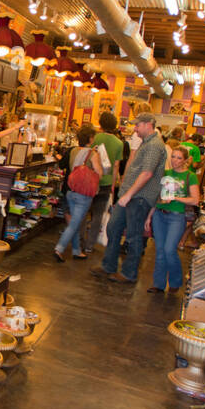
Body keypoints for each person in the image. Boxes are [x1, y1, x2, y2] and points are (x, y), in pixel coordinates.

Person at [93, 113, 166, 285]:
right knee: (113, 228)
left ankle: (129, 273)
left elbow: (147, 173)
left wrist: (128, 194)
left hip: (139, 197)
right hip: (130, 195)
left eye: (138, 125)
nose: (135, 128)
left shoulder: (155, 145)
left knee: (133, 236)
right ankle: (109, 265)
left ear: (148, 124)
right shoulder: (146, 143)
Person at [147, 146, 200, 294]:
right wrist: (150, 215)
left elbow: (195, 200)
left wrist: (175, 198)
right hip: (159, 213)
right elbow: (158, 196)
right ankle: (158, 284)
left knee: (169, 249)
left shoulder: (190, 176)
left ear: (185, 160)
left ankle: (176, 281)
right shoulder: (165, 173)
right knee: (160, 250)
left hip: (177, 216)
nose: (175, 160)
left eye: (179, 158)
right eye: (173, 157)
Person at [53, 125, 104, 262]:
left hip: (71, 190)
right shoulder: (93, 154)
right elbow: (99, 172)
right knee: (75, 223)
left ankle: (76, 250)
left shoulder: (73, 150)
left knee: (75, 220)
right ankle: (59, 248)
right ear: (91, 138)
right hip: (84, 193)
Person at [81, 109, 124, 256]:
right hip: (105, 182)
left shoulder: (96, 138)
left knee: (84, 211)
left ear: (100, 124)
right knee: (98, 215)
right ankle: (89, 245)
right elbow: (116, 166)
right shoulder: (119, 143)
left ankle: (79, 241)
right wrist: (113, 184)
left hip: (90, 180)